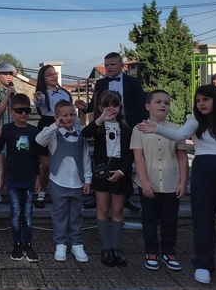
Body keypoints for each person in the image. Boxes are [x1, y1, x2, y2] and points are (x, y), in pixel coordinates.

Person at [138, 84, 216, 288]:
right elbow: (179, 135)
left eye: (206, 99)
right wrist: (156, 128)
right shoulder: (194, 122)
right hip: (204, 173)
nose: (201, 104)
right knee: (203, 219)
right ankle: (203, 264)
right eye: (198, 101)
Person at [75, 52, 147, 213]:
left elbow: (140, 105)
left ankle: (125, 197)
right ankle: (98, 195)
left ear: (122, 66)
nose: (108, 67)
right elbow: (95, 104)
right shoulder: (101, 83)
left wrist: (142, 125)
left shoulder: (133, 82)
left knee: (125, 160)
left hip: (127, 127)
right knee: (101, 159)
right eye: (106, 65)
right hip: (105, 127)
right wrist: (85, 108)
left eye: (112, 64)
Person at [130, 90, 188, 271]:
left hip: (171, 182)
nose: (163, 105)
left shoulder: (177, 129)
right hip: (150, 182)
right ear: (148, 106)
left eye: (166, 103)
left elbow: (182, 157)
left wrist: (183, 182)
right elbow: (138, 156)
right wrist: (144, 181)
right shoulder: (139, 129)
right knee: (149, 218)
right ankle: (151, 251)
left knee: (170, 219)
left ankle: (169, 252)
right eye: (158, 102)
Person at [81, 90, 134, 267]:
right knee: (102, 209)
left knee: (117, 210)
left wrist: (122, 171)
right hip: (102, 173)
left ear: (120, 107)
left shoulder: (126, 128)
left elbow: (130, 154)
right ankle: (106, 247)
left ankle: (116, 247)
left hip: (120, 172)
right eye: (107, 106)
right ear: (100, 107)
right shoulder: (98, 127)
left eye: (115, 105)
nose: (111, 109)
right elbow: (85, 133)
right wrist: (100, 119)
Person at [36, 100, 92, 263]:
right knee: (59, 214)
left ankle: (76, 243)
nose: (69, 118)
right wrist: (55, 125)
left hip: (77, 182)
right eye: (65, 115)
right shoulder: (53, 135)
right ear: (56, 117)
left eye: (72, 114)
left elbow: (86, 158)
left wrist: (88, 179)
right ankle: (60, 243)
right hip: (58, 182)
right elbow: (39, 140)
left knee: (76, 214)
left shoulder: (80, 136)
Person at [0, 93, 44, 262]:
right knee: (15, 211)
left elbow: (36, 156)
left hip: (29, 177)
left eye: (26, 110)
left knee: (28, 212)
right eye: (19, 110)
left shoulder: (34, 130)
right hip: (13, 177)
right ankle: (16, 243)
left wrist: (38, 176)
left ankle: (27, 243)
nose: (23, 114)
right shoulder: (7, 129)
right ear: (12, 112)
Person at [33, 64, 80, 209]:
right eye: (49, 74)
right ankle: (41, 192)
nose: (54, 76)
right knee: (46, 163)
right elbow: (38, 102)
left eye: (55, 73)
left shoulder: (64, 92)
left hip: (64, 124)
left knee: (61, 160)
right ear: (43, 78)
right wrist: (38, 98)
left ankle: (60, 190)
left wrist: (77, 129)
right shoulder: (42, 94)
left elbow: (71, 112)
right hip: (48, 124)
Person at [0, 63, 17, 127]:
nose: (9, 77)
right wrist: (7, 96)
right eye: (5, 74)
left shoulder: (15, 93)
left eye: (10, 74)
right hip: (1, 129)